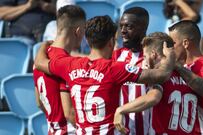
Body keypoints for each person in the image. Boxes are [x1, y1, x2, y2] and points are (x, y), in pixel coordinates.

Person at [34, 15, 175, 134]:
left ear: (88, 41)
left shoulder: (69, 65)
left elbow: (40, 63)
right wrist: (170, 57)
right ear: (111, 42)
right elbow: (162, 75)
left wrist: (44, 45)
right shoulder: (115, 69)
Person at [114, 32, 203, 135]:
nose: (144, 61)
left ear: (153, 54)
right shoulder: (189, 76)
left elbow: (153, 97)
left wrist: (121, 109)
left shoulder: (159, 76)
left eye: (145, 57)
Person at [33, 5, 86, 134]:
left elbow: (39, 103)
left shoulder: (40, 58)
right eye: (84, 30)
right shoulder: (66, 63)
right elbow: (69, 113)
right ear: (78, 31)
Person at [169, 20, 203, 134]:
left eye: (173, 43)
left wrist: (178, 67)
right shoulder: (178, 66)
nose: (170, 48)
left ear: (185, 43)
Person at [111, 7, 150, 135]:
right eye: (121, 26)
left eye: (129, 27)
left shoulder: (154, 58)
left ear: (143, 28)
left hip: (147, 131)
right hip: (120, 131)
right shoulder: (116, 56)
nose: (123, 31)